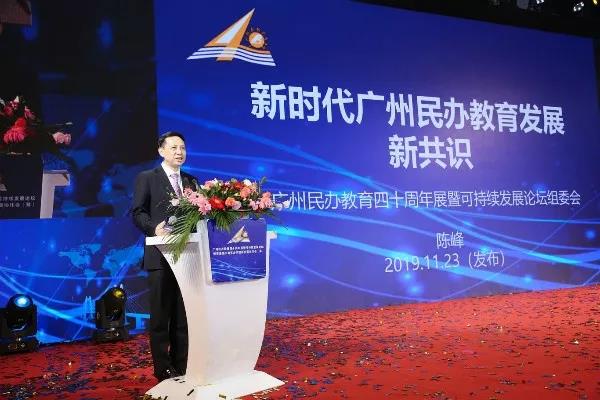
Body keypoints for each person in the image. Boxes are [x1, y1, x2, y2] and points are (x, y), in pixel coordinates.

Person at [132, 131, 197, 381]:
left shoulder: (191, 181)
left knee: (183, 315)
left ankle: (182, 363)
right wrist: (154, 228)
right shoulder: (148, 178)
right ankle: (163, 367)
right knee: (161, 315)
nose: (179, 152)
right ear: (161, 151)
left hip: (188, 256)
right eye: (174, 147)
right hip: (160, 256)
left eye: (183, 148)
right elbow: (137, 211)